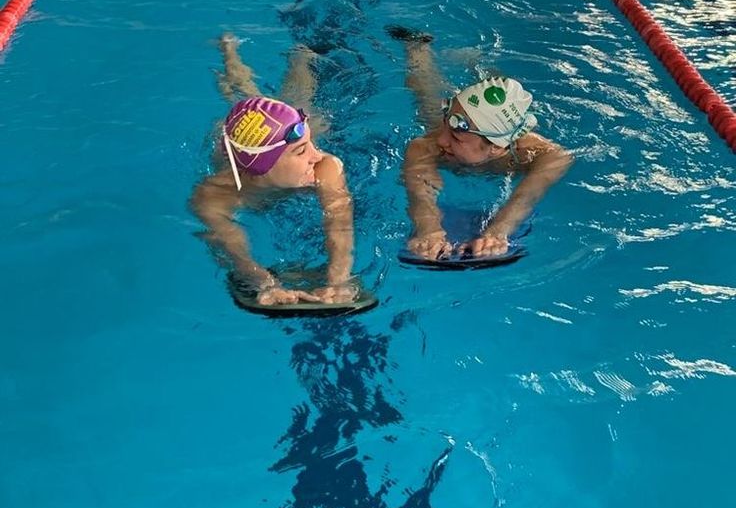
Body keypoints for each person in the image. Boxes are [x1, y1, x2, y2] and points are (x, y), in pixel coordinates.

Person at [190, 36, 355, 307]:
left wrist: (338, 280)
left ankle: (301, 55)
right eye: (302, 151)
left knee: (300, 96)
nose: (317, 155)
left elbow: (339, 223)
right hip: (246, 143)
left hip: (267, 136)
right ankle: (228, 50)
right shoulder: (215, 195)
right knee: (243, 94)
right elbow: (231, 248)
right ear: (261, 168)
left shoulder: (326, 166)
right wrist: (265, 284)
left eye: (310, 144)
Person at [389, 27, 573, 259]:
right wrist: (429, 231)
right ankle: (417, 46)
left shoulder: (544, 157)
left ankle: (475, 62)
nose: (442, 139)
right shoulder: (426, 146)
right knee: (426, 94)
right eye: (447, 125)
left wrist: (497, 233)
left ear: (497, 147)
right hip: (470, 119)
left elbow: (524, 198)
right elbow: (421, 196)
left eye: (456, 136)